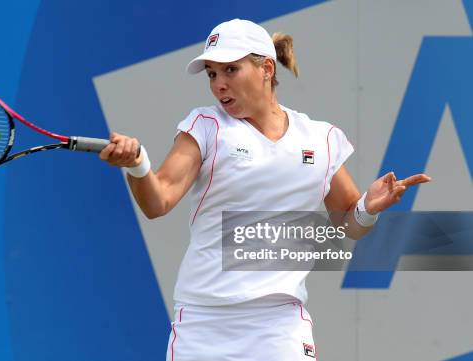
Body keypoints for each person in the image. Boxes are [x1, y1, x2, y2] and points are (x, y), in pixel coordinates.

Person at [99, 18, 430, 361]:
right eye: (212, 73)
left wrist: (368, 208)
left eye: (231, 70)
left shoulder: (320, 139)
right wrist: (138, 165)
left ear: (266, 69)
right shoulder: (206, 127)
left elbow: (348, 223)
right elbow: (158, 201)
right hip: (203, 324)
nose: (219, 85)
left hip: (279, 326)